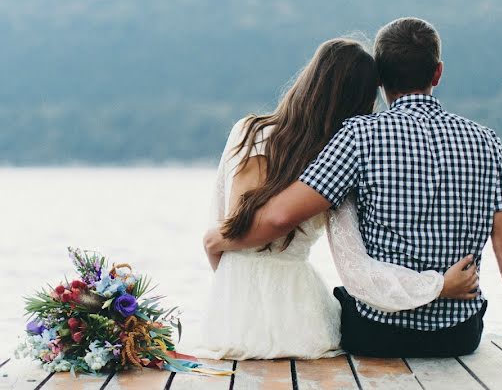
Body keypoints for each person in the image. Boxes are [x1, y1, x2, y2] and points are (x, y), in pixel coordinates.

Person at [204, 17, 502, 358]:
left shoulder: (358, 135)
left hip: (377, 335)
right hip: (459, 335)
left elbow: (279, 216)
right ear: (437, 74)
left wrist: (221, 238)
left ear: (382, 79)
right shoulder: (487, 140)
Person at [196, 37, 477, 360]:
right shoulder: (338, 161)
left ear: (310, 78)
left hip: (232, 308)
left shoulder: (248, 131)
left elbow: (222, 226)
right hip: (299, 313)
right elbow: (355, 267)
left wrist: (225, 278)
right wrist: (437, 285)